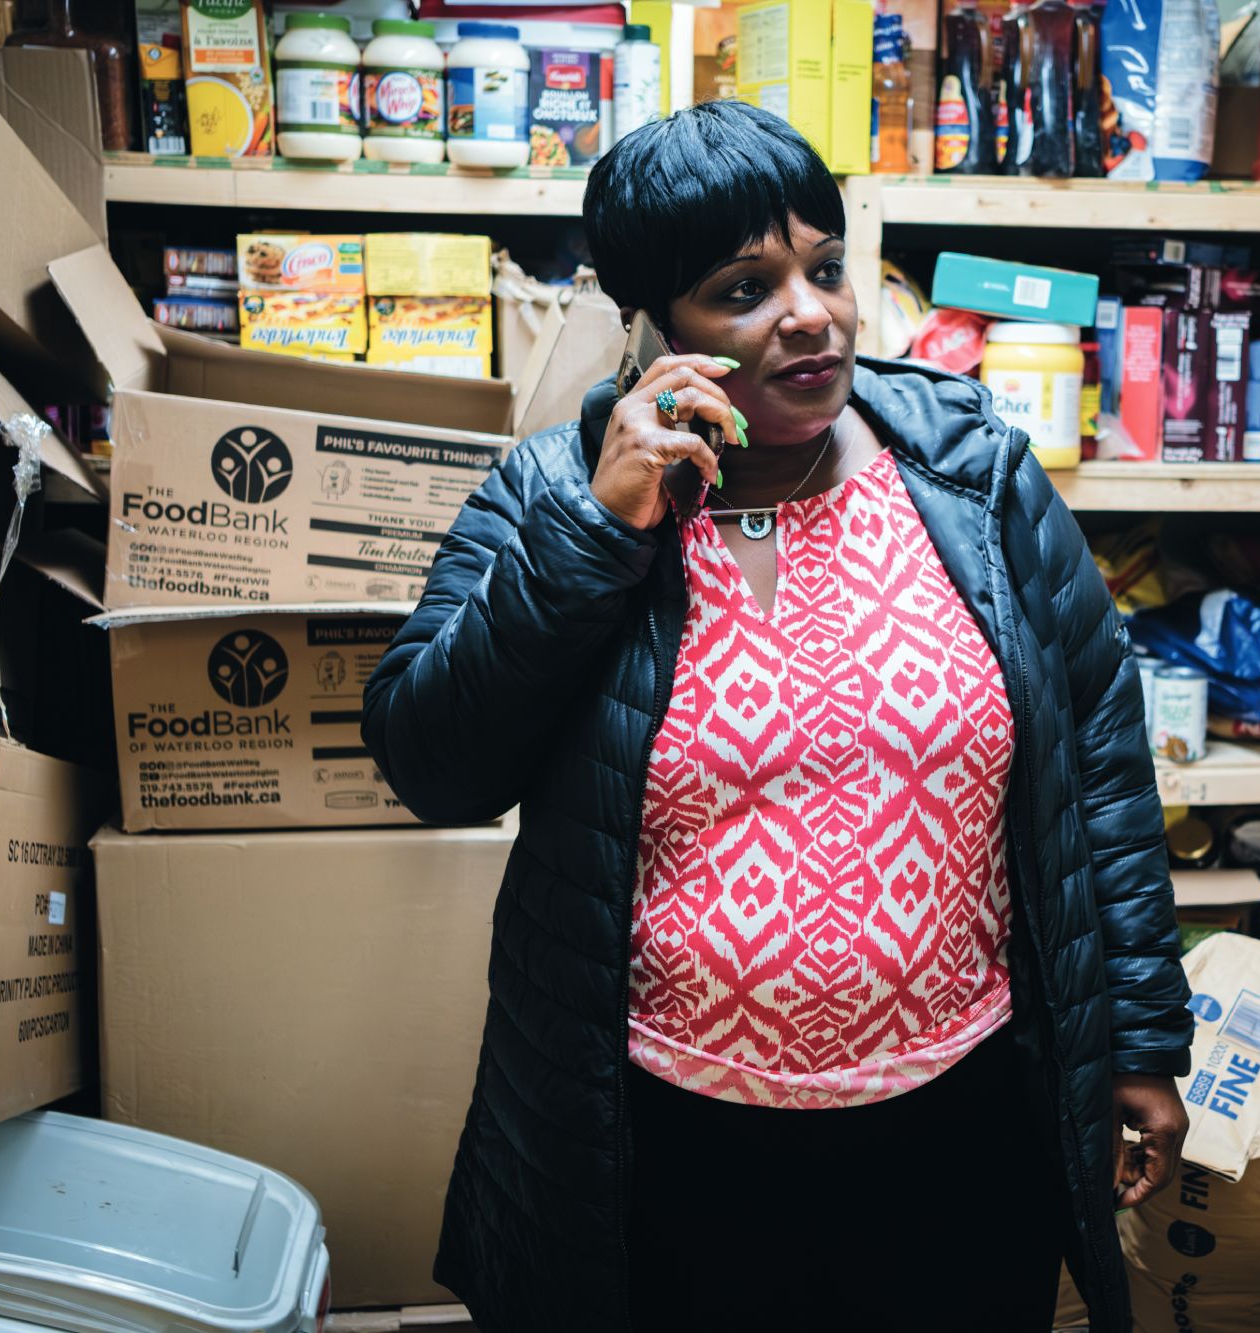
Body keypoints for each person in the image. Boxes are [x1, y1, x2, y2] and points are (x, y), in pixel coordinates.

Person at [361, 99, 1193, 1333]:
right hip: (667, 1136)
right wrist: (598, 533)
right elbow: (432, 761)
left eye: (824, 268)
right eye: (742, 287)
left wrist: (1137, 1033)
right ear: (653, 322)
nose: (809, 313)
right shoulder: (552, 490)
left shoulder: (970, 474)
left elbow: (1103, 763)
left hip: (959, 1116)